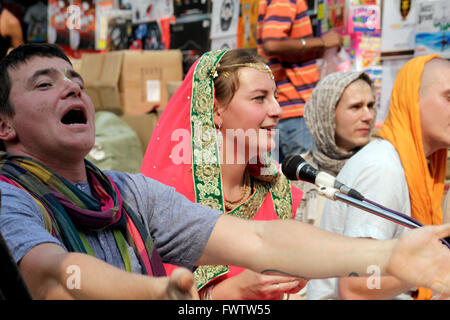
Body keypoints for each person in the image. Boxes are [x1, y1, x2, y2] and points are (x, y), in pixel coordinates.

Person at [0, 43, 450, 300]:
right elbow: (56, 273)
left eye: (75, 80)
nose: (71, 87)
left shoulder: (128, 194)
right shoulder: (10, 198)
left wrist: (387, 258)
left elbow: (261, 240)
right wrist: (159, 294)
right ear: (4, 125)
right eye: (45, 83)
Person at [141, 48, 305, 300]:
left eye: (275, 96)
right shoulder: (170, 199)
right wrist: (236, 290)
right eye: (259, 98)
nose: (277, 110)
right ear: (216, 110)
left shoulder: (277, 192)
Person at [307, 55, 450, 300]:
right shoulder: (383, 169)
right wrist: (428, 270)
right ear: (412, 99)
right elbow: (357, 287)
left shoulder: (410, 166)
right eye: (449, 97)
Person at [257, 0, 343, 162]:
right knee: (304, 181)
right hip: (294, 111)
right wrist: (322, 43)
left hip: (288, 111)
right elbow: (272, 44)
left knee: (287, 182)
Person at [294, 71, 376, 228]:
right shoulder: (297, 172)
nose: (368, 116)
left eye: (370, 106)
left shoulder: (376, 169)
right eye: (356, 107)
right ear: (327, 113)